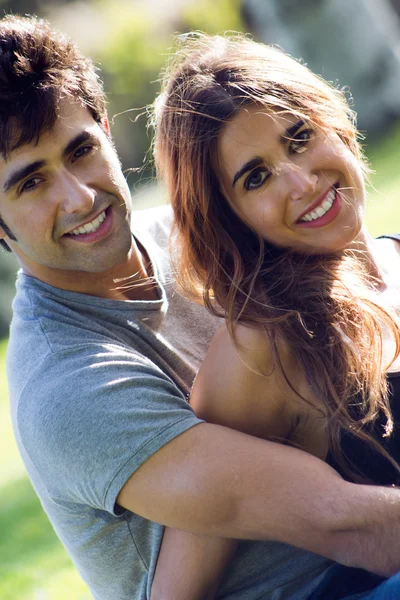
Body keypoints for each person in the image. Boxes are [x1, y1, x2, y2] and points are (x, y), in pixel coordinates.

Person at [4, 14, 400, 600]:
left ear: (107, 132)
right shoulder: (68, 387)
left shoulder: (207, 240)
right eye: (30, 183)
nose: (79, 197)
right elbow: (341, 522)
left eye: (81, 150)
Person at [150, 32, 400, 599]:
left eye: (299, 137)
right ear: (230, 218)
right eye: (255, 177)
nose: (301, 182)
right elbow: (178, 589)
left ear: (333, 121)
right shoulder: (262, 349)